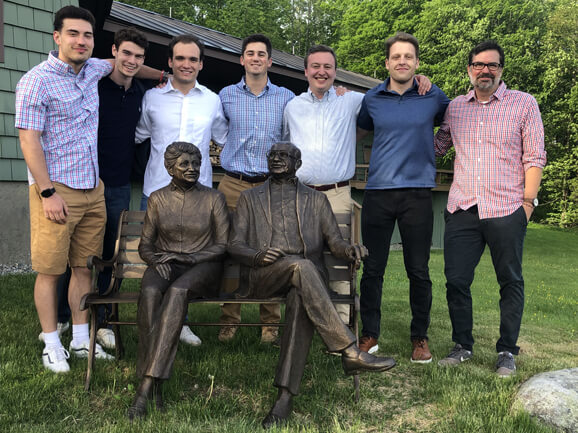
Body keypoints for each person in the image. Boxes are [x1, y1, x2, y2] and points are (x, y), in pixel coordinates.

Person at [14, 6, 158, 372]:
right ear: (56, 37)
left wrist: (164, 75)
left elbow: (129, 65)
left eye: (87, 35)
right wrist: (46, 192)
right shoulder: (36, 80)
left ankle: (81, 340)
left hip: (93, 188)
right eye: (73, 34)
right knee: (49, 270)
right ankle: (51, 342)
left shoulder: (94, 68)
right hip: (56, 189)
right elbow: (28, 140)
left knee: (83, 268)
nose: (81, 41)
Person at [229, 141, 396, 428]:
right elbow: (233, 245)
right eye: (272, 155)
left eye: (284, 155)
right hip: (264, 276)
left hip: (306, 282)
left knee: (300, 295)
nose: (276, 159)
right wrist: (256, 255)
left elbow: (335, 242)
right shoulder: (250, 198)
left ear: (298, 163)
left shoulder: (316, 200)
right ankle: (348, 350)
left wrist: (350, 250)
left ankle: (283, 400)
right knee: (302, 266)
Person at [283, 44, 432, 323]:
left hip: (337, 191)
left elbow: (390, 90)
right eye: (316, 66)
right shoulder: (292, 107)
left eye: (328, 67)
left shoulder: (351, 100)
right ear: (306, 71)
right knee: (299, 256)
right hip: (300, 194)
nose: (321, 72)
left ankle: (340, 323)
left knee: (340, 258)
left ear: (335, 72)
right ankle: (300, 318)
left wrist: (419, 81)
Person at [435, 41, 546, 377]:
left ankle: (507, 351)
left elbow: (535, 156)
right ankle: (462, 345)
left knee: (510, 281)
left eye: (492, 65)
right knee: (455, 280)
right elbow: (438, 146)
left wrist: (527, 203)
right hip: (463, 207)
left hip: (507, 207)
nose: (485, 70)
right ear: (469, 69)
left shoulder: (524, 104)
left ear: (501, 69)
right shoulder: (455, 107)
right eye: (479, 65)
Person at [356, 32, 450, 362]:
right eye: (396, 57)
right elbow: (357, 132)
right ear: (387, 63)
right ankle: (369, 334)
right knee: (372, 270)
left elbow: (455, 123)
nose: (402, 62)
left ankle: (420, 338)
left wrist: (436, 150)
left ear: (417, 63)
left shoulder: (433, 96)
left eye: (408, 57)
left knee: (419, 271)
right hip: (378, 193)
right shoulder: (372, 99)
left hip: (418, 195)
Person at [135, 34, 228, 346]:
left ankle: (181, 321)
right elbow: (138, 134)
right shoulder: (152, 98)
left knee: (188, 257)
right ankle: (156, 319)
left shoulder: (212, 101)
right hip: (156, 190)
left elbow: (225, 138)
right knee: (160, 258)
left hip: (197, 196)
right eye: (180, 58)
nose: (186, 64)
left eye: (193, 59)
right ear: (170, 62)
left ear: (200, 64)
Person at [128, 142, 229, 420]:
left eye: (196, 163)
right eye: (184, 164)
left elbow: (222, 245)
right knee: (149, 293)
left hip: (203, 266)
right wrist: (155, 260)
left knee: (176, 292)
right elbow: (145, 245)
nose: (192, 168)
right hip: (166, 264)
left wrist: (191, 259)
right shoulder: (158, 199)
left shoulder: (213, 199)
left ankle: (146, 387)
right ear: (170, 167)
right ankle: (155, 382)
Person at [217, 34, 294, 343]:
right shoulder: (225, 95)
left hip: (270, 185)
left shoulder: (286, 97)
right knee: (230, 251)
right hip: (232, 182)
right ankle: (229, 318)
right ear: (242, 59)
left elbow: (290, 138)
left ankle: (270, 322)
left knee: (271, 250)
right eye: (250, 53)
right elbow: (219, 132)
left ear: (270, 61)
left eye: (261, 54)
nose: (256, 58)